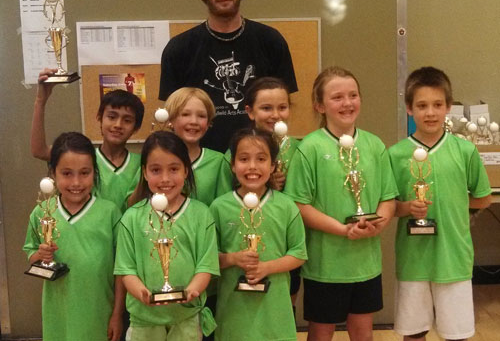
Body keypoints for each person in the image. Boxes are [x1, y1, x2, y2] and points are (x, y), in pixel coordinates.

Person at [284, 66, 398, 341]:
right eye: (337, 97)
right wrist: (342, 229)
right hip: (326, 265)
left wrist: (377, 225)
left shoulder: (374, 145)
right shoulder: (309, 148)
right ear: (319, 105)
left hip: (365, 263)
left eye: (353, 95)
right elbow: (299, 204)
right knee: (321, 333)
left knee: (363, 333)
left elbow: (388, 197)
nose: (347, 103)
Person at [388, 67, 491, 341]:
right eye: (422, 106)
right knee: (414, 333)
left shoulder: (465, 150)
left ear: (447, 107)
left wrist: (456, 203)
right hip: (413, 259)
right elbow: (389, 206)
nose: (430, 112)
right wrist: (408, 208)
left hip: (453, 256)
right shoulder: (395, 155)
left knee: (456, 334)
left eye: (437, 105)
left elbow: (483, 197)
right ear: (409, 109)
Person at [159, 0, 298, 153]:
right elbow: (172, 115)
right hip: (201, 162)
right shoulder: (179, 49)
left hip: (259, 162)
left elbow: (286, 108)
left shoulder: (271, 41)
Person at [114, 131, 219, 340]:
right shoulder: (131, 218)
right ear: (144, 173)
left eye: (174, 169)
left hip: (187, 317)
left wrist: (192, 290)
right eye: (155, 170)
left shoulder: (201, 214)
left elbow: (206, 265)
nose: (165, 179)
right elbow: (125, 269)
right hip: (144, 320)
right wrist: (141, 292)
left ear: (186, 171)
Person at [23, 132, 124, 341]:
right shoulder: (42, 212)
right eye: (67, 173)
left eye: (84, 173)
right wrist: (40, 255)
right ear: (53, 173)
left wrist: (117, 314)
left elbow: (121, 270)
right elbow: (31, 255)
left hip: (99, 312)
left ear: (94, 172)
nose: (76, 182)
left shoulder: (110, 213)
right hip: (58, 313)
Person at [210, 128, 307, 341]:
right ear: (233, 165)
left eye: (261, 159)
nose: (252, 166)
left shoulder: (286, 206)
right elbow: (207, 259)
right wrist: (233, 258)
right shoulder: (218, 207)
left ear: (272, 165)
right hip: (233, 313)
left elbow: (299, 254)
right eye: (244, 159)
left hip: (275, 314)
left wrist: (266, 267)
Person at [31, 68, 145, 212]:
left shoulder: (142, 164)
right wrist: (40, 101)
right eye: (112, 117)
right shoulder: (84, 157)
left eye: (127, 120)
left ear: (136, 128)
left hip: (128, 234)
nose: (118, 125)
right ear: (100, 118)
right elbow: (39, 150)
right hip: (92, 233)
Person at [164, 87, 232, 205]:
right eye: (185, 114)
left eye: (201, 116)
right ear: (171, 119)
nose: (194, 121)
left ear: (208, 123)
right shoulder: (157, 158)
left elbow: (224, 205)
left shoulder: (219, 161)